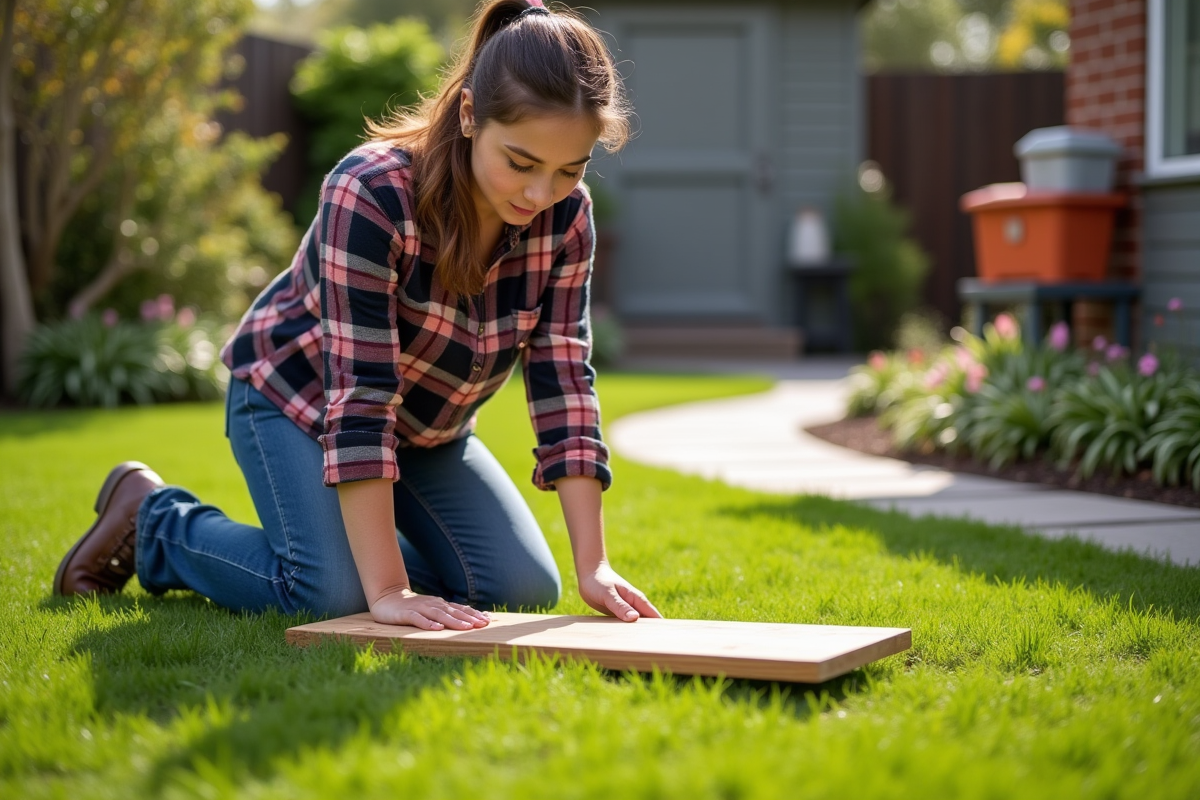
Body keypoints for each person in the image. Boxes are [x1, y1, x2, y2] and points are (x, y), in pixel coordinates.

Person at [53, 0, 661, 633]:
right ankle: (154, 523)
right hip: (298, 401)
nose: (542, 195)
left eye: (571, 168)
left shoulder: (569, 218)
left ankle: (350, 550)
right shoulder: (369, 192)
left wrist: (595, 565)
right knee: (331, 593)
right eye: (521, 163)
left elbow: (564, 376)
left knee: (519, 587)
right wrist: (389, 589)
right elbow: (363, 394)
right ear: (470, 115)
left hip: (427, 431)